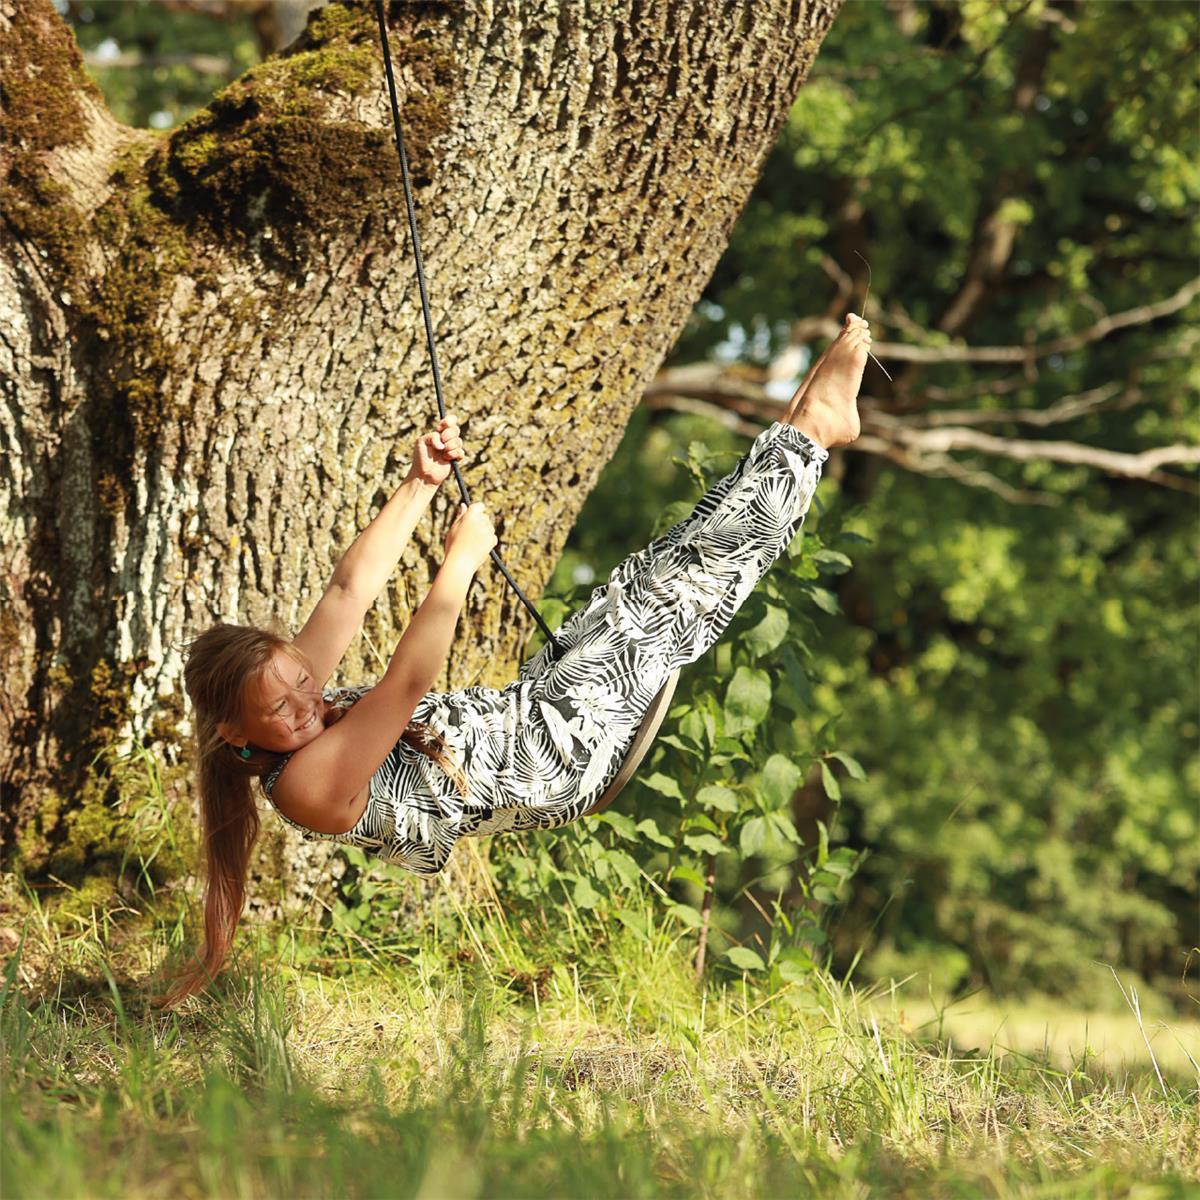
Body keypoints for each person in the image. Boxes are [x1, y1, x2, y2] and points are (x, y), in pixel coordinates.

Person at [153, 314, 871, 1007]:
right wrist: (459, 564)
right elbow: (405, 686)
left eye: (302, 680)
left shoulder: (293, 703)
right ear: (238, 735)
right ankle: (811, 433)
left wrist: (419, 486)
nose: (307, 701)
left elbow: (348, 590)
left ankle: (802, 431)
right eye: (280, 707)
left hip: (529, 713)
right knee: (676, 588)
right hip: (548, 756)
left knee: (653, 578)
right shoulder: (304, 781)